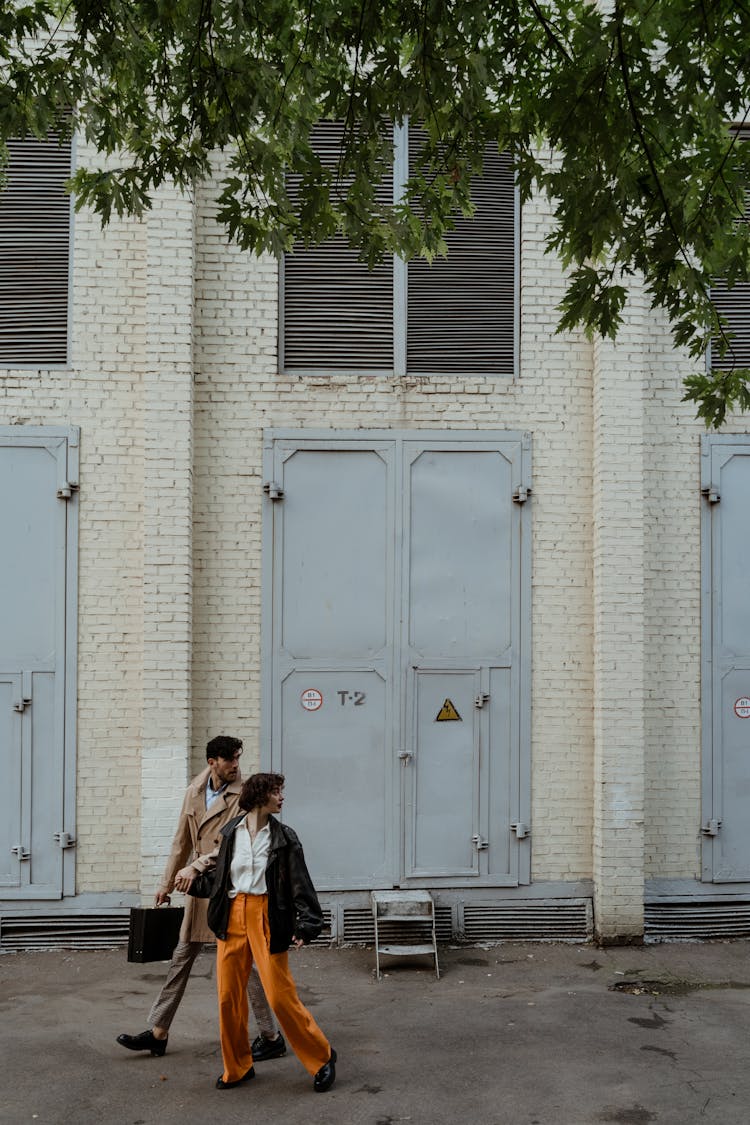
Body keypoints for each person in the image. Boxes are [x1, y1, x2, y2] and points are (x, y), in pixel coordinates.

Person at [116, 736, 285, 1064]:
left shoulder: (245, 794)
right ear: (213, 762)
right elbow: (181, 840)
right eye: (230, 760)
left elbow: (234, 842)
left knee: (246, 968)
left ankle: (271, 1035)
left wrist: (195, 867)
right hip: (199, 892)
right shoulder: (194, 791)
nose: (236, 765)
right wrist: (165, 884)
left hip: (227, 888)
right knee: (180, 959)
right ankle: (158, 1033)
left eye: (238, 758)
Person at [179, 772, 336, 1092]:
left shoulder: (284, 837)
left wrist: (308, 925)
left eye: (281, 792)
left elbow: (300, 883)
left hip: (267, 916)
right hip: (232, 917)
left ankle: (322, 1057)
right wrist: (194, 882)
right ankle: (236, 1067)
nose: (282, 797)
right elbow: (222, 880)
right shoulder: (231, 834)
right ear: (261, 796)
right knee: (228, 998)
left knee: (280, 997)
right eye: (277, 792)